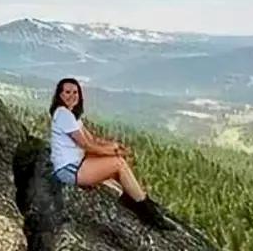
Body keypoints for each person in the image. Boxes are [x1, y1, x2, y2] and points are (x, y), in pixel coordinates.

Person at [49, 77, 174, 231]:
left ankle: (134, 197)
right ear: (60, 95)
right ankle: (148, 212)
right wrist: (114, 151)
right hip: (69, 170)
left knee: (115, 162)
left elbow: (93, 140)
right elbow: (88, 146)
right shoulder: (64, 115)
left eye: (75, 92)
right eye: (67, 92)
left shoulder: (71, 116)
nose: (72, 96)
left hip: (75, 164)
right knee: (118, 163)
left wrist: (114, 146)